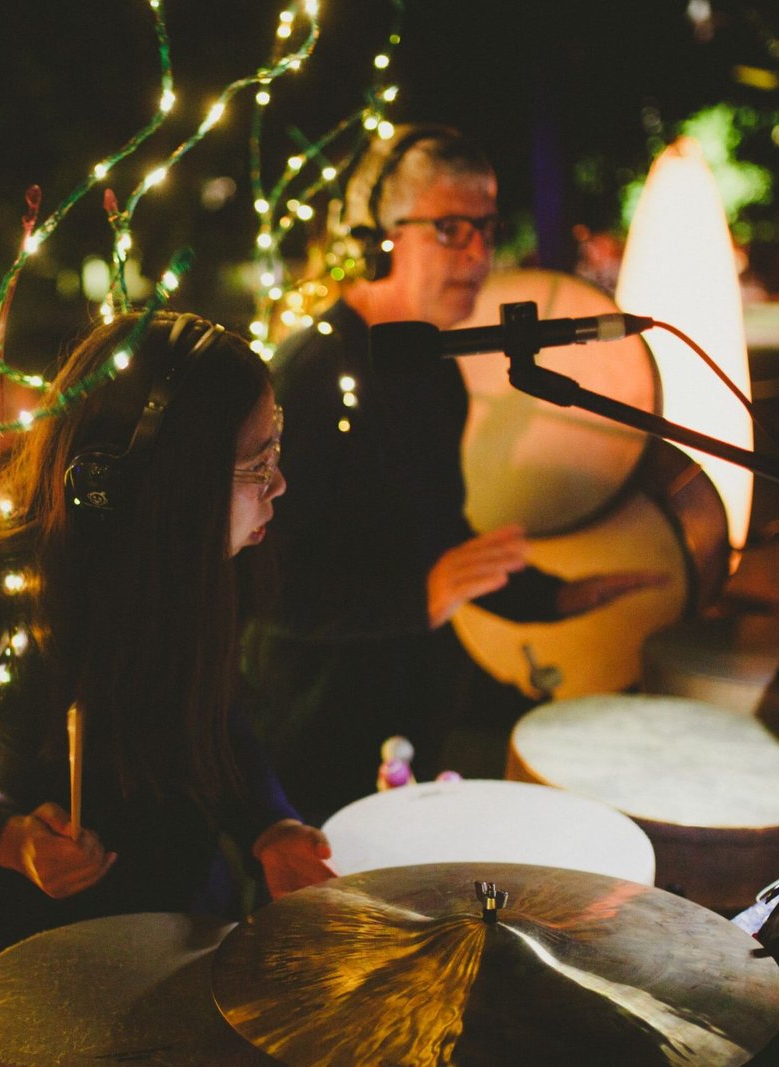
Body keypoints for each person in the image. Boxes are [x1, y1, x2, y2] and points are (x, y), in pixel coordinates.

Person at [0, 311, 335, 1060]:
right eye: (255, 464)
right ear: (164, 483)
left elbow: (215, 715)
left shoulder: (199, 570)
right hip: (24, 960)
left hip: (183, 930)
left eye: (275, 446)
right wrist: (4, 840)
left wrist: (270, 823)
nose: (279, 484)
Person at [245, 124, 665, 822]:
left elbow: (442, 542)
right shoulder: (307, 375)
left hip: (410, 729)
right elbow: (260, 584)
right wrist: (419, 597)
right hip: (312, 753)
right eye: (450, 229)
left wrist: (556, 598)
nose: (478, 253)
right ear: (378, 241)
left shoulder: (435, 370)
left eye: (486, 228)